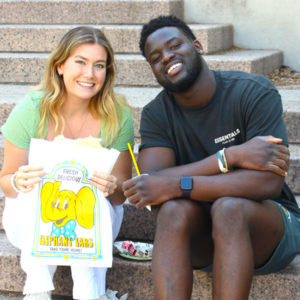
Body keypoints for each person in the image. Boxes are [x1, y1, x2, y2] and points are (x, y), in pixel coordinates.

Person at [123, 15, 300, 300]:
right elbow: (150, 184)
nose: (167, 57)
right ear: (153, 70)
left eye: (174, 46)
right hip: (203, 238)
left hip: (267, 231)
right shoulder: (157, 114)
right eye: (155, 57)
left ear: (198, 46)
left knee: (229, 208)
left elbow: (267, 184)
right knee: (173, 211)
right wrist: (229, 157)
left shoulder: (253, 92)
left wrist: (180, 185)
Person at [0, 27, 134, 300]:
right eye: (80, 62)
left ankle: (90, 294)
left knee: (91, 193)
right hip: (33, 215)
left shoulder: (118, 116)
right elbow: (7, 182)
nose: (90, 74)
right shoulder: (31, 110)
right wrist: (18, 180)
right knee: (36, 185)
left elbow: (120, 197)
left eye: (99, 66)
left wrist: (111, 186)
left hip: (94, 217)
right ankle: (37, 292)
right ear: (60, 65)